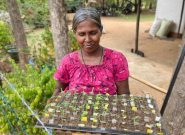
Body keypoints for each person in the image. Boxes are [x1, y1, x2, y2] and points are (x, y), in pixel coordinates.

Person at [52, 7, 130, 96]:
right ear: (75, 33)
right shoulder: (68, 61)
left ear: (100, 30)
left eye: (93, 33)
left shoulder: (116, 59)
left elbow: (124, 96)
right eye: (82, 34)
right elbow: (58, 89)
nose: (88, 39)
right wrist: (52, 103)